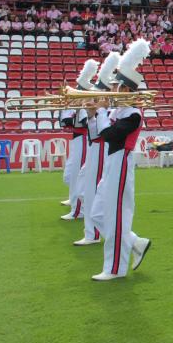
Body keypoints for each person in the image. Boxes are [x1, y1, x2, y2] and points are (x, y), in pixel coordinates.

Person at [90, 38, 152, 281]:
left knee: (115, 215)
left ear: (126, 90)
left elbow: (110, 135)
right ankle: (135, 242)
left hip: (121, 163)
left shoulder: (133, 114)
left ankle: (115, 268)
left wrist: (101, 110)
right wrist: (92, 114)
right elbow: (97, 136)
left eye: (116, 87)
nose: (112, 90)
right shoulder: (116, 111)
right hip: (111, 162)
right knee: (97, 214)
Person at [69, 58, 102, 245]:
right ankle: (92, 230)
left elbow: (102, 131)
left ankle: (93, 232)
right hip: (93, 146)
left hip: (100, 148)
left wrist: (93, 111)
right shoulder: (93, 107)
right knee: (82, 187)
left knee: (92, 192)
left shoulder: (110, 110)